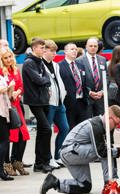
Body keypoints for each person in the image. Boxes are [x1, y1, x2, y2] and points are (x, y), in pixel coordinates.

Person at [39, 105, 120, 194]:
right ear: (109, 117)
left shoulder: (102, 126)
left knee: (84, 186)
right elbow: (101, 152)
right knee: (107, 151)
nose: (116, 126)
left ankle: (54, 182)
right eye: (116, 123)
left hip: (73, 153)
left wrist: (116, 151)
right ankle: (109, 185)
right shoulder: (96, 125)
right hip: (70, 151)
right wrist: (119, 151)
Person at [0, 48, 30, 176]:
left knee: (23, 134)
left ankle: (17, 161)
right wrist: (11, 92)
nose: (8, 59)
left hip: (16, 105)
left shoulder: (15, 69)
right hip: (6, 106)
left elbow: (21, 86)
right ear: (1, 59)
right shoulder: (0, 71)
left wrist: (17, 92)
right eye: (5, 58)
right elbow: (1, 88)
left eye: (10, 56)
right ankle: (6, 163)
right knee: (9, 136)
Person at [22, 38, 52, 173]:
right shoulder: (29, 63)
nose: (43, 50)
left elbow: (47, 78)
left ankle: (39, 163)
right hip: (35, 101)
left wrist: (45, 81)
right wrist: (44, 81)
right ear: (34, 48)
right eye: (41, 48)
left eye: (44, 48)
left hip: (43, 99)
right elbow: (39, 80)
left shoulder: (40, 62)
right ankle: (44, 161)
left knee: (42, 131)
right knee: (47, 129)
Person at [43, 40, 69, 168]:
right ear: (45, 50)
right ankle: (48, 158)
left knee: (64, 128)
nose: (54, 53)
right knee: (47, 132)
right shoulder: (41, 65)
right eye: (52, 51)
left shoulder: (56, 65)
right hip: (49, 103)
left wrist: (63, 94)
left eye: (55, 51)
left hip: (59, 102)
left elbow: (59, 82)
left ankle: (58, 156)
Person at [59, 43, 89, 130]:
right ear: (65, 51)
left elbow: (84, 83)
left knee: (82, 129)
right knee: (70, 129)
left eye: (76, 49)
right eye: (72, 49)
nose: (75, 51)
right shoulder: (59, 66)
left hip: (82, 102)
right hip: (69, 103)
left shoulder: (80, 65)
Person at [76, 37, 108, 117]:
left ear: (98, 47)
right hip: (87, 98)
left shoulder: (103, 60)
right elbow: (78, 80)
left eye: (95, 46)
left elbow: (107, 77)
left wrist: (103, 91)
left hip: (100, 98)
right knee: (87, 122)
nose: (93, 48)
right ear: (86, 47)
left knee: (100, 123)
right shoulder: (79, 61)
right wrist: (89, 92)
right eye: (91, 46)